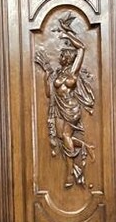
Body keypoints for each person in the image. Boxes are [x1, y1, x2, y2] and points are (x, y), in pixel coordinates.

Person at [34, 12, 95, 188]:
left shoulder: (71, 72)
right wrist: (46, 74)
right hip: (59, 108)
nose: (59, 57)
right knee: (61, 137)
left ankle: (70, 173)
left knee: (66, 135)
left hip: (70, 108)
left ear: (68, 57)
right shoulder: (58, 74)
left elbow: (82, 48)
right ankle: (84, 146)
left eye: (62, 55)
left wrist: (67, 33)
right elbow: (48, 94)